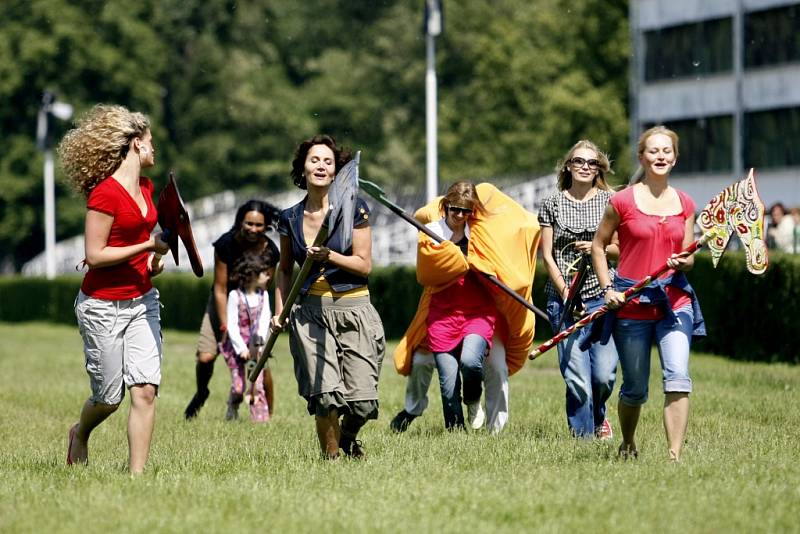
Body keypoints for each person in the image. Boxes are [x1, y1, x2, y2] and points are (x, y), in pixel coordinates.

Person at [58, 104, 171, 474]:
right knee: (108, 398)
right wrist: (147, 247)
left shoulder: (146, 187)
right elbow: (95, 255)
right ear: (136, 144)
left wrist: (153, 261)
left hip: (142, 301)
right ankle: (81, 433)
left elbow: (141, 241)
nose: (155, 148)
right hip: (102, 306)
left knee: (145, 389)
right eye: (150, 141)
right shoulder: (104, 195)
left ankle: (136, 476)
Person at [591, 125, 705, 462]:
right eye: (653, 151)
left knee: (678, 376)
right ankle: (627, 442)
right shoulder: (622, 201)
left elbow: (690, 257)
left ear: (675, 159)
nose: (660, 156)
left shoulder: (685, 203)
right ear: (642, 157)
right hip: (632, 302)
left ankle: (674, 456)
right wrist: (607, 288)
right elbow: (599, 246)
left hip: (674, 301)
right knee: (635, 387)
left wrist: (683, 261)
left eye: (666, 151)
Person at [391, 182, 540, 434]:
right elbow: (426, 273)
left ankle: (487, 419)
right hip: (442, 315)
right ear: (446, 207)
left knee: (483, 364)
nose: (460, 216)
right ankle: (443, 426)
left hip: (478, 313)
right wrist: (457, 259)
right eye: (455, 209)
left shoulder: (483, 233)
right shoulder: (431, 230)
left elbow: (523, 227)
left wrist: (481, 263)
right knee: (430, 369)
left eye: (466, 211)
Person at [273, 134, 385, 460]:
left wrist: (329, 257)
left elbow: (364, 266)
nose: (321, 166)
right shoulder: (289, 218)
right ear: (303, 169)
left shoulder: (355, 210)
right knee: (326, 398)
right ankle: (331, 462)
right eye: (314, 160)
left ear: (336, 172)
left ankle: (348, 438)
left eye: (328, 161)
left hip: (354, 310)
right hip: (309, 314)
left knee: (362, 402)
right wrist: (279, 311)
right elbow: (284, 271)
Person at [539, 140, 619, 439]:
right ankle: (582, 440)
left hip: (604, 296)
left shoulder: (612, 201)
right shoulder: (552, 203)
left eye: (592, 163)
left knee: (603, 376)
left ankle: (600, 417)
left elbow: (621, 250)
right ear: (568, 166)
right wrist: (565, 293)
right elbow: (547, 256)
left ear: (599, 168)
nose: (585, 167)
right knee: (577, 379)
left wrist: (598, 248)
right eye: (579, 161)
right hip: (564, 300)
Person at [184, 200, 279, 420]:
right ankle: (201, 392)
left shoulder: (271, 251)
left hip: (252, 308)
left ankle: (269, 413)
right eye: (249, 223)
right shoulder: (226, 244)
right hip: (224, 301)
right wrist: (226, 325)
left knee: (260, 360)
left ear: (265, 227)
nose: (253, 229)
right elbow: (219, 288)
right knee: (206, 357)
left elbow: (266, 289)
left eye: (258, 225)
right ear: (240, 222)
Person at [219, 252, 276, 422]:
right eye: (263, 272)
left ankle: (260, 420)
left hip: (256, 346)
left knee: (257, 384)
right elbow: (232, 325)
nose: (268, 276)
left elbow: (265, 318)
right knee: (239, 386)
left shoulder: (263, 295)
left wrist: (259, 343)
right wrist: (241, 348)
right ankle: (232, 407)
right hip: (238, 347)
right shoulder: (235, 296)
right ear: (252, 275)